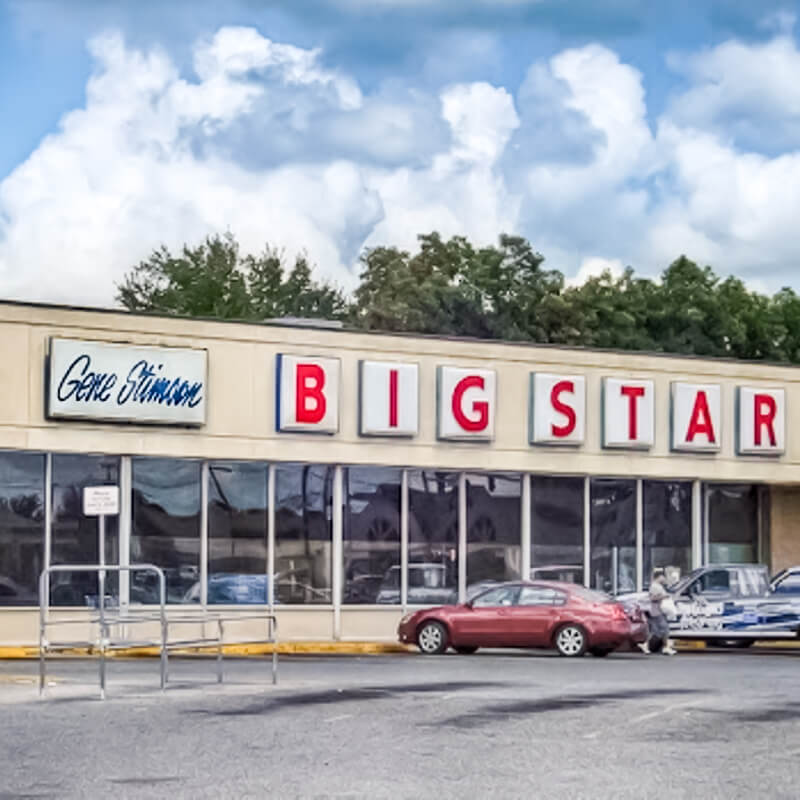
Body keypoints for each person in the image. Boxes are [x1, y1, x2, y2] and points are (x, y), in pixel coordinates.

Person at [639, 569, 677, 655]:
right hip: (656, 611)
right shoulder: (654, 586)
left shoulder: (658, 586)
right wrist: (664, 597)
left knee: (656, 631)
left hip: (658, 611)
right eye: (663, 577)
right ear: (659, 577)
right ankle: (666, 647)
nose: (664, 579)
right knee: (665, 629)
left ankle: (646, 645)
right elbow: (652, 598)